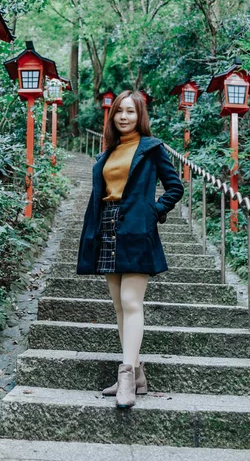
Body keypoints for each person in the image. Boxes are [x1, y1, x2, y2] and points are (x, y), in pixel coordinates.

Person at [77, 90, 184, 409]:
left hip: (137, 227)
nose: (124, 116)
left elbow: (175, 187)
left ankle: (126, 375)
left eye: (131, 112)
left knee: (130, 300)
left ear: (140, 116)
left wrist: (153, 211)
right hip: (107, 226)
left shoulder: (151, 149)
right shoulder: (106, 154)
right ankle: (137, 372)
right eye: (119, 111)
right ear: (112, 116)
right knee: (119, 306)